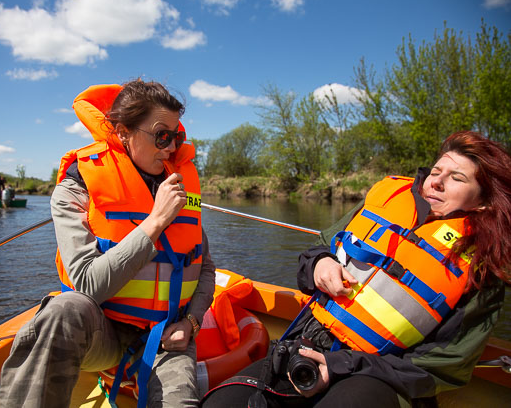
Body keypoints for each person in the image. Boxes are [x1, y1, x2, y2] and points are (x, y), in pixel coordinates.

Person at [201, 131, 511, 408]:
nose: (437, 182)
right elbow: (318, 248)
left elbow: (441, 366)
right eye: (436, 171)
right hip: (306, 345)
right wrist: (319, 263)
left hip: (379, 376)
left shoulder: (484, 270)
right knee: (222, 402)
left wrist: (341, 365)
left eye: (457, 178)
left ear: (483, 202)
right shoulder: (388, 201)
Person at [0, 80, 216, 408]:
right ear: (124, 131)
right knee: (60, 312)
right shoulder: (78, 185)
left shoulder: (180, 186)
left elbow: (205, 266)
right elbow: (87, 284)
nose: (171, 148)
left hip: (167, 337)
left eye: (177, 136)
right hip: (102, 332)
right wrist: (155, 222)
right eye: (161, 135)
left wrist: (192, 322)